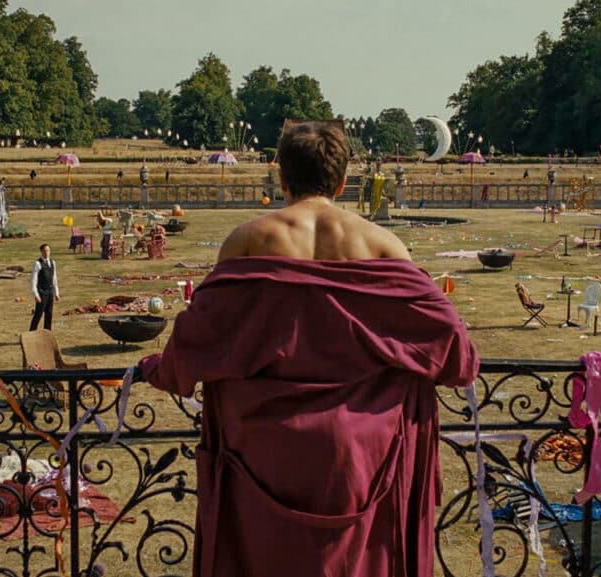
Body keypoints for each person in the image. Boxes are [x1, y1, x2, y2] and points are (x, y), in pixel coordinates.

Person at [136, 120, 478, 577]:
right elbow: (456, 354)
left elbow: (195, 343)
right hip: (363, 460)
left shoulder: (248, 241)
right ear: (341, 181)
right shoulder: (384, 247)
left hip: (259, 452)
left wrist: (155, 369)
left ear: (281, 177)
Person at [29, 244, 59, 331]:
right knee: (38, 314)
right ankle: (31, 332)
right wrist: (36, 295)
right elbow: (33, 280)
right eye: (45, 251)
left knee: (49, 313)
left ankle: (47, 332)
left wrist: (56, 293)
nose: (47, 253)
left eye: (48, 250)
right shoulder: (37, 264)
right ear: (41, 252)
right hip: (41, 292)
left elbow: (54, 278)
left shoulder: (53, 263)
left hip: (49, 292)